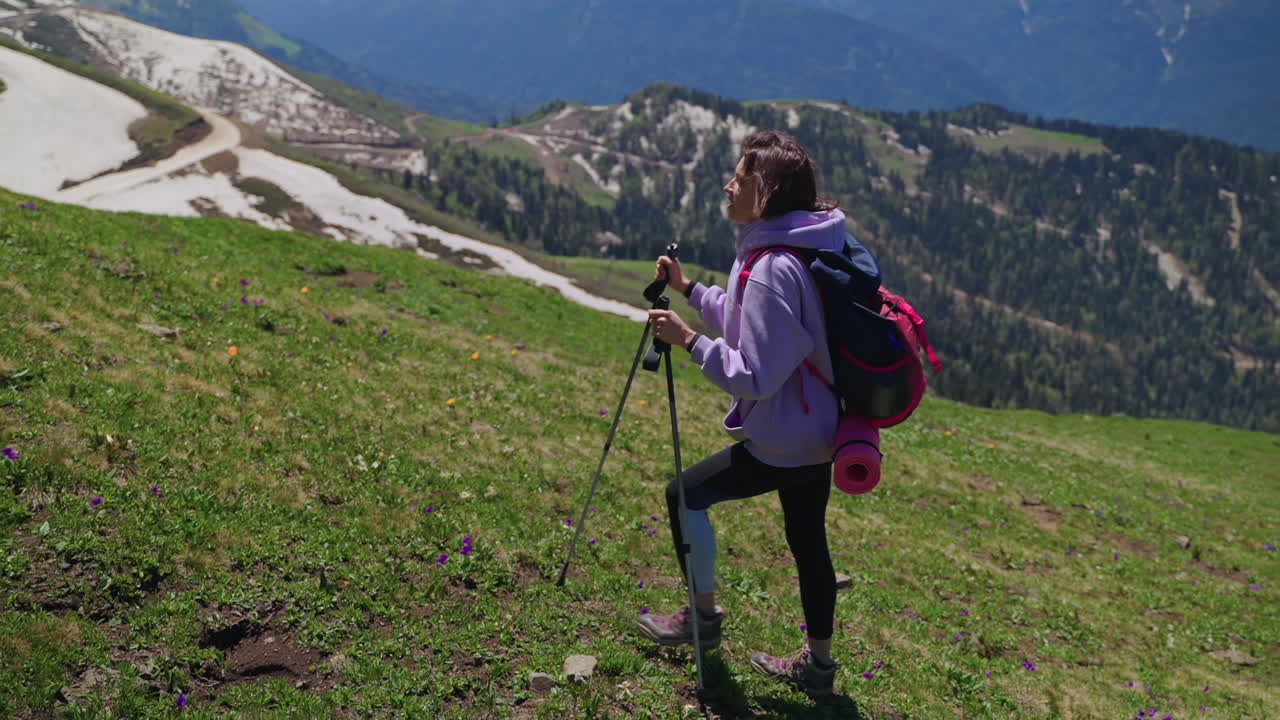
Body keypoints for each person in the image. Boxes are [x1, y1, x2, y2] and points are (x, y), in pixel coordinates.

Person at [637, 129, 851, 697]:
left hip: (784, 440)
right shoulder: (796, 245)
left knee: (683, 495)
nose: (728, 185)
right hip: (820, 431)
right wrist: (690, 290)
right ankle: (820, 669)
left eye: (740, 178)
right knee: (808, 541)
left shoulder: (773, 265)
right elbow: (747, 318)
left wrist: (687, 341)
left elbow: (752, 375)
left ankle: (701, 619)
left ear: (768, 191)